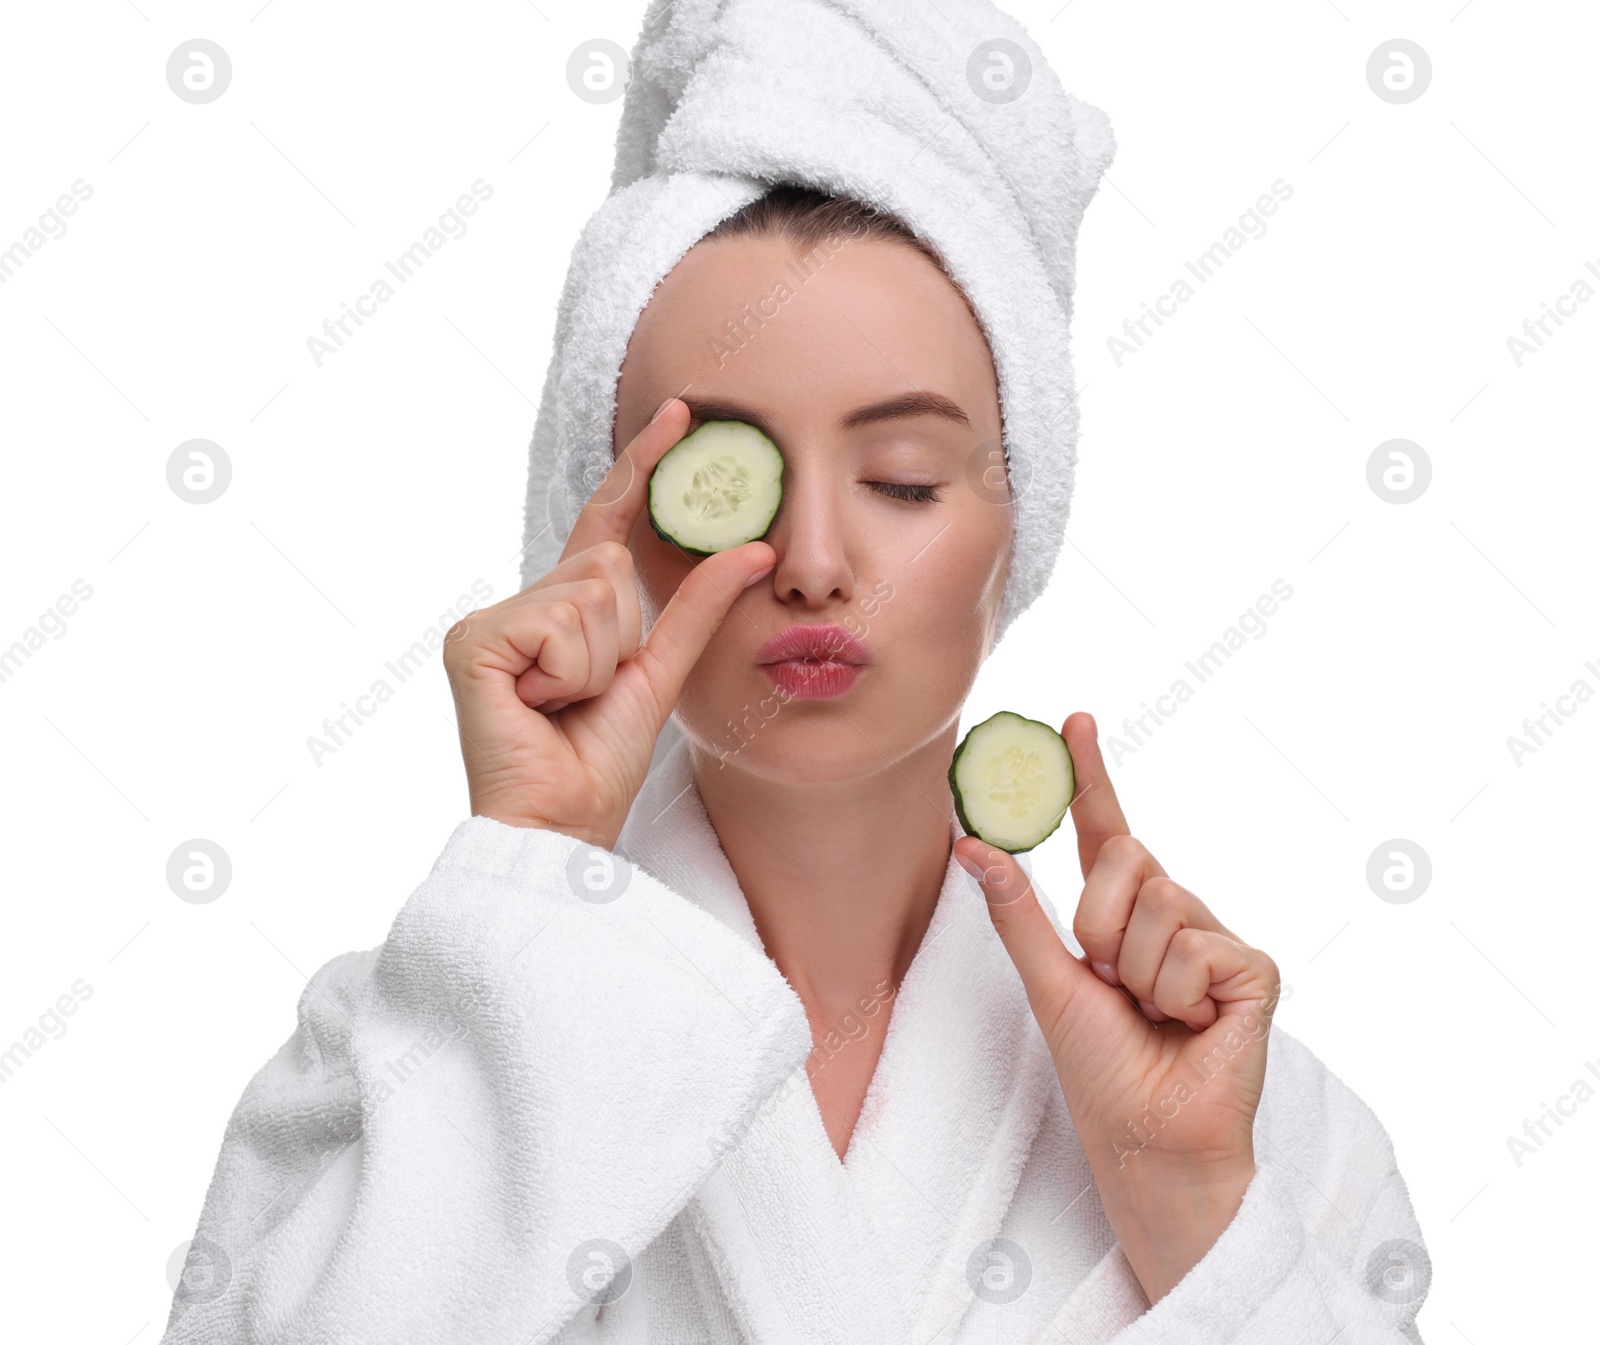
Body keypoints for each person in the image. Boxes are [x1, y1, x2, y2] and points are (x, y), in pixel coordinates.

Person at [160, 1, 1431, 1341]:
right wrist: (532, 903)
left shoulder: (1264, 1132)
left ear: (1022, 518)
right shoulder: (382, 1075)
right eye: (728, 482)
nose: (814, 560)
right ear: (609, 529)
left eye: (901, 478)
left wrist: (1193, 1210)